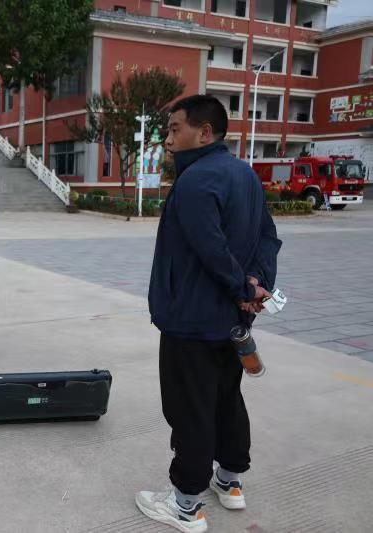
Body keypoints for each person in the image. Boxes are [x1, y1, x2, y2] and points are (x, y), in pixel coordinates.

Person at [137, 95, 282, 532]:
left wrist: (244, 288)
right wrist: (257, 285)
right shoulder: (245, 175)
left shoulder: (196, 180)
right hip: (232, 319)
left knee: (190, 408)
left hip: (192, 320)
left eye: (174, 129)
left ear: (204, 132)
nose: (167, 140)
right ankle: (230, 480)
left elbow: (211, 249)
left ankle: (185, 504)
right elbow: (268, 237)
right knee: (225, 398)